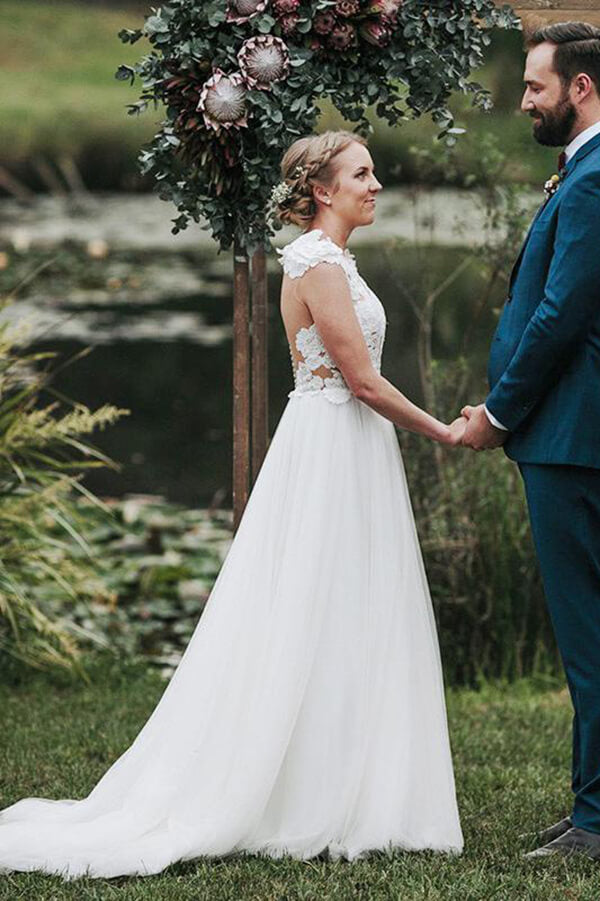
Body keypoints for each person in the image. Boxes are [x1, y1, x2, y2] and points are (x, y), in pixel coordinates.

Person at [0, 130, 464, 880]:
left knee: (349, 605)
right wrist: (443, 429)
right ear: (322, 190)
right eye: (362, 173)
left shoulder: (334, 259)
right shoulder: (314, 260)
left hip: (348, 444)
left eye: (373, 172)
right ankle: (306, 789)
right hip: (332, 442)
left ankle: (354, 778)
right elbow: (364, 381)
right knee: (315, 600)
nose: (376, 184)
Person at [461, 22, 600, 861]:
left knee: (586, 636)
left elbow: (559, 317)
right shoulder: (580, 171)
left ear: (581, 86)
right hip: (572, 431)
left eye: (535, 86)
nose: (523, 101)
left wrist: (501, 412)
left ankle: (594, 822)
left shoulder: (591, 181)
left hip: (569, 435)